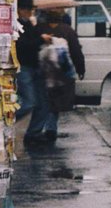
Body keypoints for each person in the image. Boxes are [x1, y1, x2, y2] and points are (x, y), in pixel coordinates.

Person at [35, 8, 84, 143]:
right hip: (61, 73)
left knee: (44, 99)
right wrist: (80, 69)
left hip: (43, 71)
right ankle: (51, 128)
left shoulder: (39, 29)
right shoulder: (67, 30)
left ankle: (43, 127)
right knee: (55, 99)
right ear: (60, 18)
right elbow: (76, 51)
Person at [17, 0, 53, 148]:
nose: (30, 12)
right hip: (24, 67)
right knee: (30, 102)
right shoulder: (17, 25)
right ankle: (5, 119)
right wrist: (41, 40)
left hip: (34, 66)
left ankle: (33, 133)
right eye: (28, 10)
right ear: (21, 10)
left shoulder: (29, 24)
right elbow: (23, 44)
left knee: (44, 103)